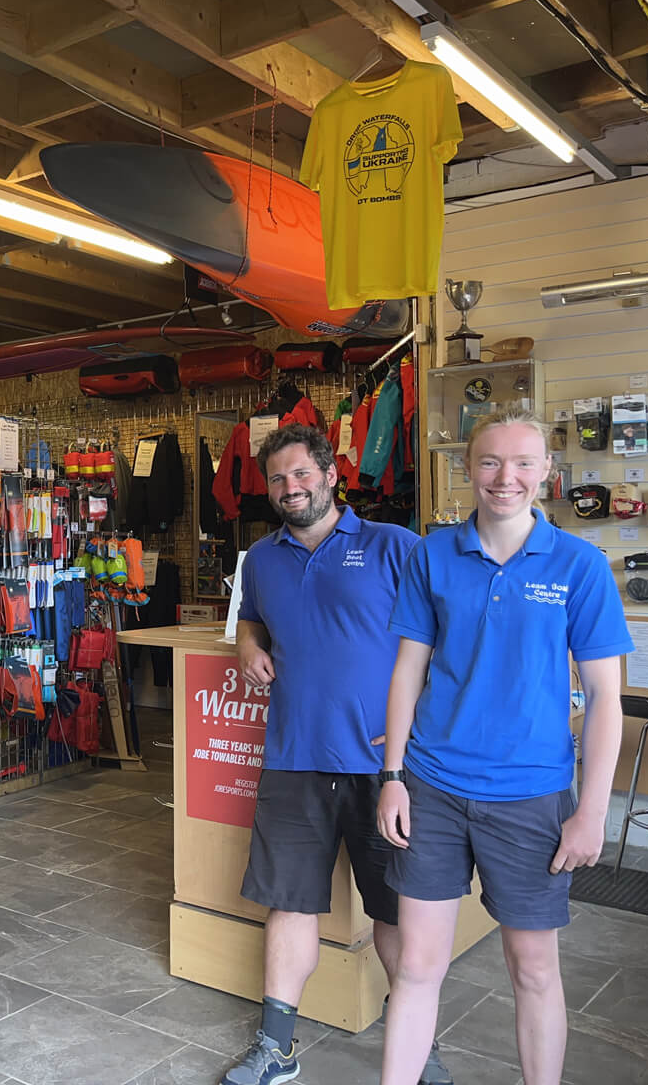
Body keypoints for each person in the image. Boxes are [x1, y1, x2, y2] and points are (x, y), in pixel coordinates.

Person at [377, 411, 632, 1085]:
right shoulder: (431, 555)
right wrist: (393, 775)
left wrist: (592, 812)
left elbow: (607, 699)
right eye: (490, 462)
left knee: (535, 969)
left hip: (532, 798)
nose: (505, 477)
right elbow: (407, 670)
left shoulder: (581, 566)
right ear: (468, 469)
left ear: (547, 473)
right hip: (431, 787)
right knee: (417, 966)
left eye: (523, 463)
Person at [224, 424, 452, 1085]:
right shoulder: (259, 560)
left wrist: (418, 739)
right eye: (277, 479)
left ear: (330, 474)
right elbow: (251, 614)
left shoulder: (396, 547)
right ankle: (275, 1049)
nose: (290, 488)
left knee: (395, 912)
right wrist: (245, 641)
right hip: (295, 758)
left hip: (388, 771)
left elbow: (447, 642)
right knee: (288, 905)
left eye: (301, 474)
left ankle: (421, 1048)